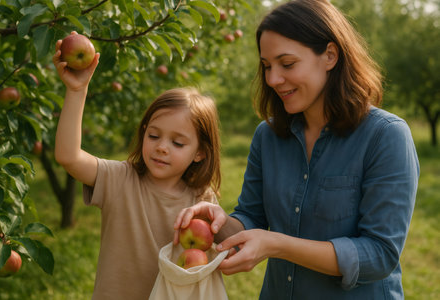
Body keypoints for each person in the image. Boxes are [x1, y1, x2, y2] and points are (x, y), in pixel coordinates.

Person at [174, 0, 419, 299]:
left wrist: (278, 244)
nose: (273, 79)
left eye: (287, 64)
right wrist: (219, 223)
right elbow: (252, 216)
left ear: (330, 55)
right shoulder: (268, 135)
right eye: (266, 66)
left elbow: (379, 254)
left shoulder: (385, 136)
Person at [53, 32, 222, 299]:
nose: (161, 147)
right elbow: (68, 156)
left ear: (200, 152)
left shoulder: (201, 200)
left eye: (178, 143)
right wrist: (77, 90)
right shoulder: (119, 179)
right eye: (153, 135)